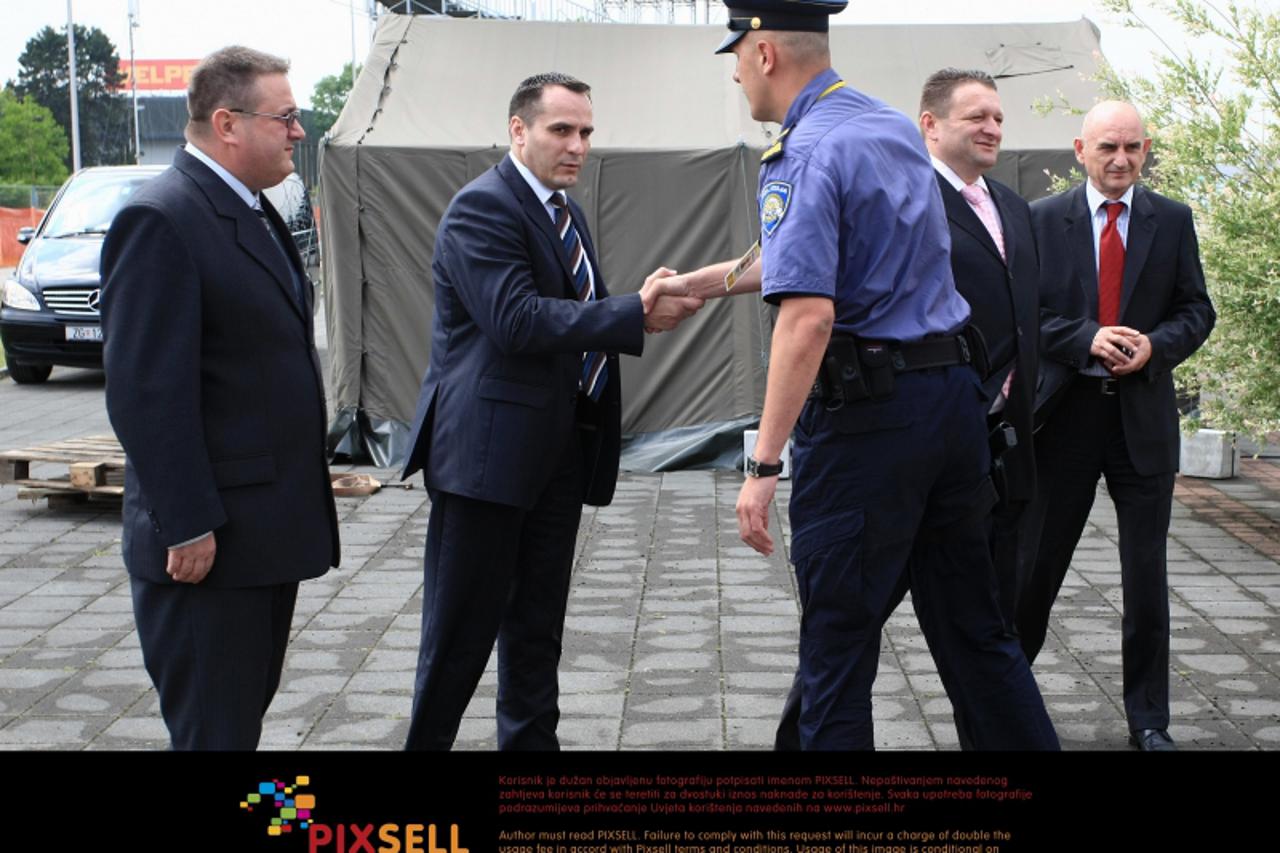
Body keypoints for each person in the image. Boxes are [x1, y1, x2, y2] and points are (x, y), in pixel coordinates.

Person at [671, 2, 1058, 750]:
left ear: (764, 52)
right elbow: (799, 252)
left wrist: (763, 462)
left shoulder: (805, 150)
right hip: (950, 409)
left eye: (736, 54)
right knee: (979, 638)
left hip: (869, 423)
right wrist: (695, 285)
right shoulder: (884, 125)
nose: (735, 72)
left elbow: (808, 316)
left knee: (838, 652)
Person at [399, 72, 702, 750]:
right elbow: (516, 321)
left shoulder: (564, 211)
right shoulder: (483, 208)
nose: (577, 145)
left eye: (586, 131)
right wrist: (629, 312)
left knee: (536, 635)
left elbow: (566, 316)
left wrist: (633, 313)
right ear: (518, 130)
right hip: (484, 465)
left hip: (555, 456)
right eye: (561, 129)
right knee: (457, 642)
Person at [100, 46, 339, 750]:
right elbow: (147, 392)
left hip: (258, 536)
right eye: (287, 117)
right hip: (210, 548)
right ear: (229, 124)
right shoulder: (164, 218)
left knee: (236, 727)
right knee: (215, 733)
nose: (300, 131)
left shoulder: (250, 210)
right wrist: (185, 522)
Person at [1017, 101, 1215, 752]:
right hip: (1064, 418)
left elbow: (1196, 310)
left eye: (1133, 147)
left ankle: (1149, 721)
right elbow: (1025, 314)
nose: (1121, 159)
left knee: (1146, 579)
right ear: (1080, 149)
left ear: (1146, 148)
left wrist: (1156, 345)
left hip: (1143, 424)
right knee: (1035, 571)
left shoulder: (1172, 220)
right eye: (1108, 147)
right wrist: (1088, 338)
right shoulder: (1043, 221)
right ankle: (1007, 709)